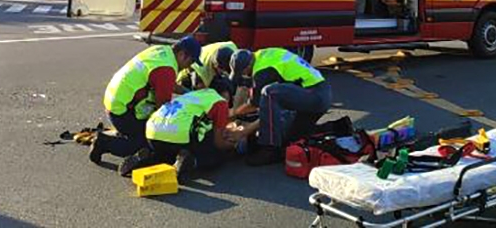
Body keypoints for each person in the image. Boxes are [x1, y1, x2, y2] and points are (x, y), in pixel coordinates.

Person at [89, 36, 201, 165]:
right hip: (121, 110)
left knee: (146, 132)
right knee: (146, 144)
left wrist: (189, 93)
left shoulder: (162, 52)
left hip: (115, 98)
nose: (189, 67)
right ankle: (103, 143)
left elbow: (169, 84)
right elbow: (162, 111)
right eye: (191, 62)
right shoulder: (166, 69)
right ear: (182, 55)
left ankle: (127, 133)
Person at [228, 47, 332, 167]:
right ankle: (331, 128)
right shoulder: (264, 54)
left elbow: (255, 106)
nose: (244, 75)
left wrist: (235, 119)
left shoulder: (262, 70)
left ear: (248, 66)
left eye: (243, 72)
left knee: (269, 93)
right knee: (292, 140)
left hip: (315, 96)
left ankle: (270, 149)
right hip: (317, 92)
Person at [118, 87, 237, 181]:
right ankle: (192, 161)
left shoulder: (193, 95)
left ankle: (147, 157)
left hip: (152, 132)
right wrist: (232, 146)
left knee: (166, 154)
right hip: (178, 136)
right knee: (215, 156)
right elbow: (218, 142)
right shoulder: (220, 102)